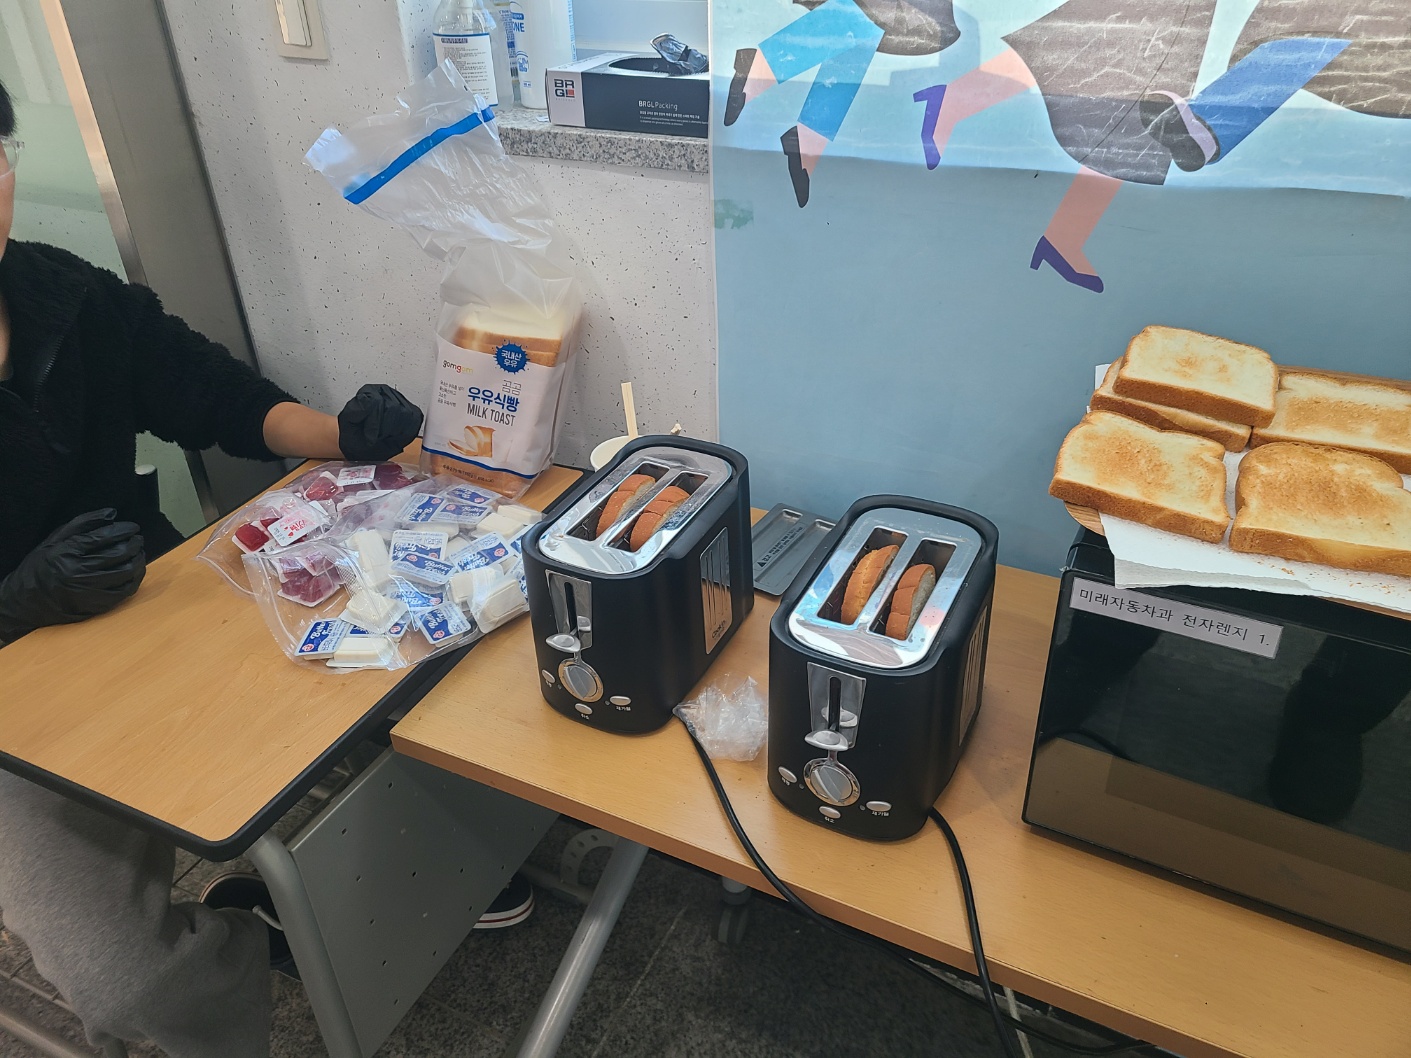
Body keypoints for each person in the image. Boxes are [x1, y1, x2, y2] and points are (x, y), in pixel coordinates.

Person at [0, 77, 429, 1056]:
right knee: (123, 976)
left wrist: (343, 435)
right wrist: (13, 601)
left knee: (404, 650)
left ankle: (419, 862)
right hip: (16, 713)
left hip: (148, 610)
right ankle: (243, 955)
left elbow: (208, 392)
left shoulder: (62, 294)